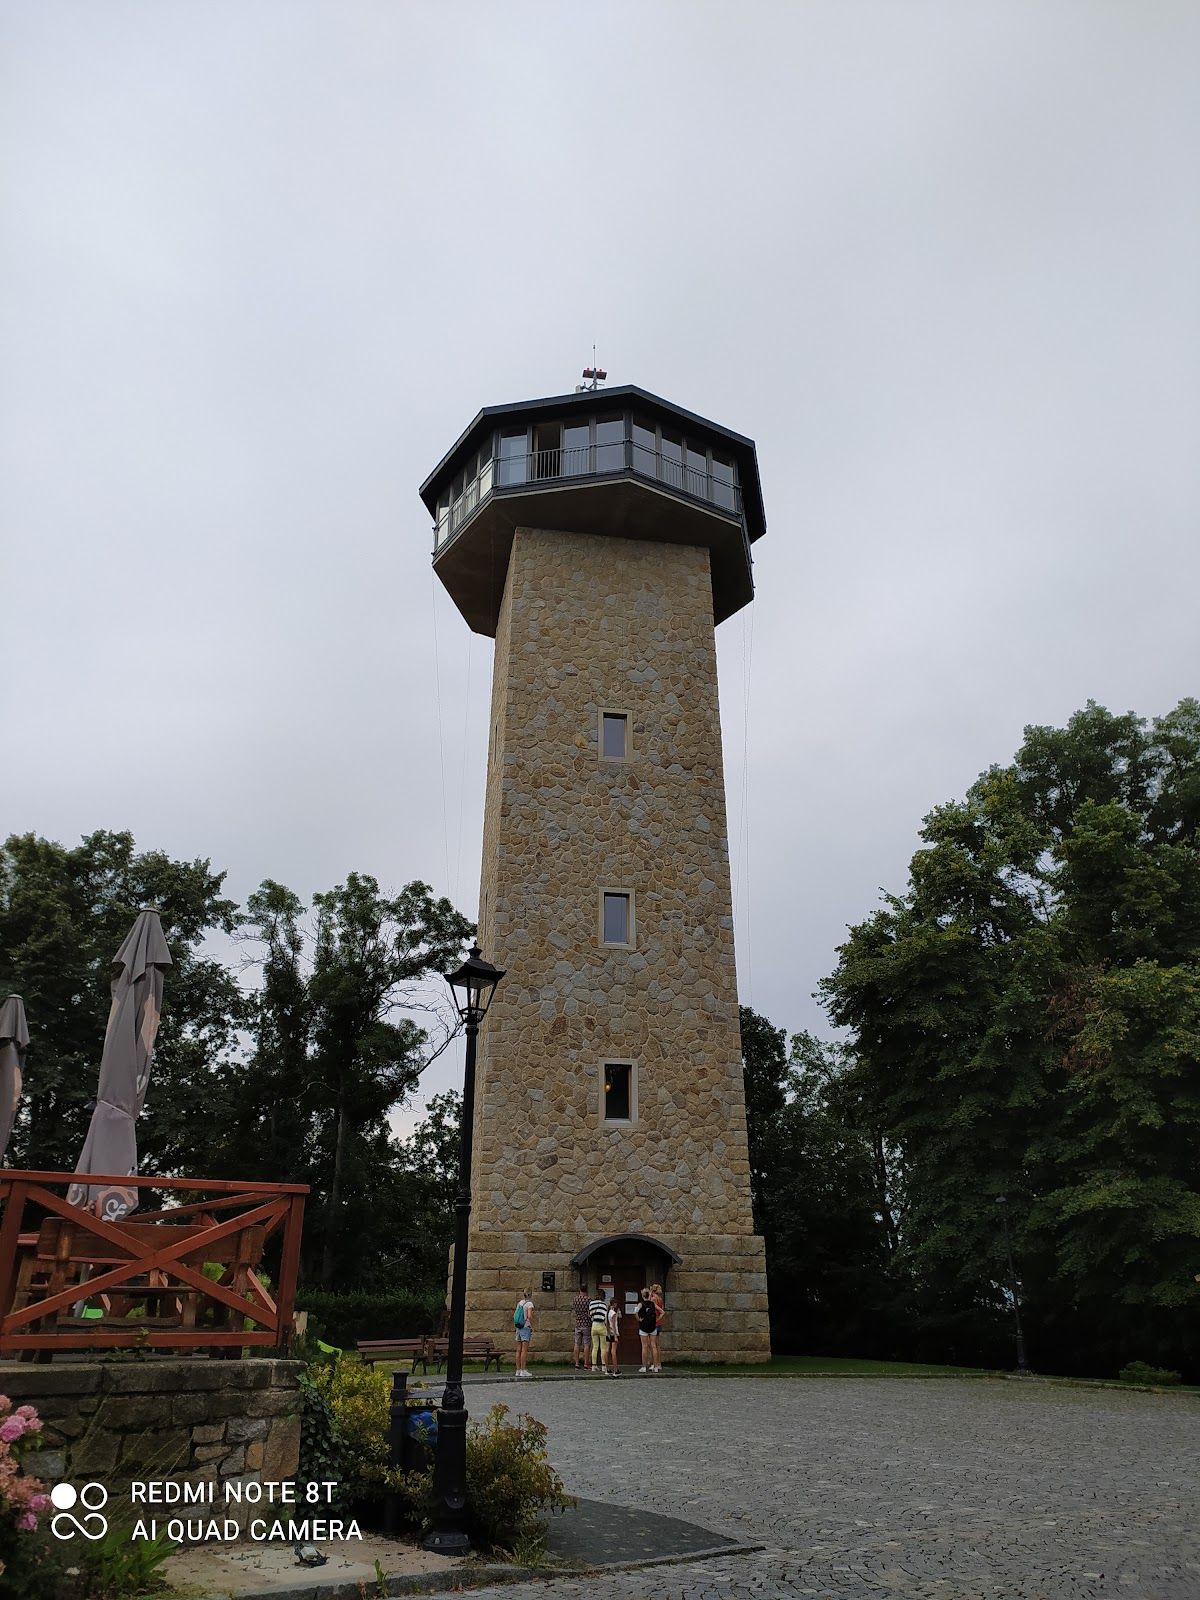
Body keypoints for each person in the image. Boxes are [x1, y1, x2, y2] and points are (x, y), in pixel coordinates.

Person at [513, 1288, 535, 1378]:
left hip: (518, 1327)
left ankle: (518, 1370)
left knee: (518, 1349)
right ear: (531, 1295)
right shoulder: (529, 1304)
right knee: (524, 1350)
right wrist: (531, 1325)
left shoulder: (520, 1303)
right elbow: (529, 1316)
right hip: (525, 1327)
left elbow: (514, 1315)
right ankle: (523, 1370)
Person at [588, 1289, 609, 1374]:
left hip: (594, 1325)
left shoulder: (591, 1304)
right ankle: (604, 1366)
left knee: (595, 1347)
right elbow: (605, 1317)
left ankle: (594, 1366)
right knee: (603, 1347)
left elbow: (590, 1314)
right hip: (601, 1325)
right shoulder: (604, 1304)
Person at [636, 1286, 656, 1372]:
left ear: (643, 1295)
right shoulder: (652, 1304)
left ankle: (644, 1366)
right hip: (652, 1327)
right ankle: (655, 1366)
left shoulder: (640, 1304)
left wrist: (638, 1319)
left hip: (643, 1327)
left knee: (644, 1346)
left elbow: (635, 1312)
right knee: (653, 1346)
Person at [572, 1279, 591, 1371]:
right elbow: (589, 1312)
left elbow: (575, 1310)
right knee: (586, 1344)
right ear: (586, 1289)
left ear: (580, 1289)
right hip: (586, 1323)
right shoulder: (588, 1300)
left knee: (577, 1343)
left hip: (578, 1323)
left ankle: (576, 1363)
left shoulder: (575, 1299)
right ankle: (586, 1363)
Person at [649, 1282, 666, 1372]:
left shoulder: (653, 1299)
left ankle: (654, 1363)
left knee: (653, 1345)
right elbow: (662, 1309)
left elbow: (650, 1308)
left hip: (654, 1322)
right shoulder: (660, 1299)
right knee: (658, 1345)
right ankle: (659, 1363)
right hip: (659, 1323)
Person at [605, 1291, 622, 1375]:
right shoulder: (614, 1313)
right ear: (614, 1304)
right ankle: (616, 1370)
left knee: (607, 1351)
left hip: (608, 1333)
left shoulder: (607, 1312)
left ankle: (607, 1368)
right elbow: (614, 1325)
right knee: (613, 1351)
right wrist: (615, 1336)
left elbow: (607, 1323)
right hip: (613, 1333)